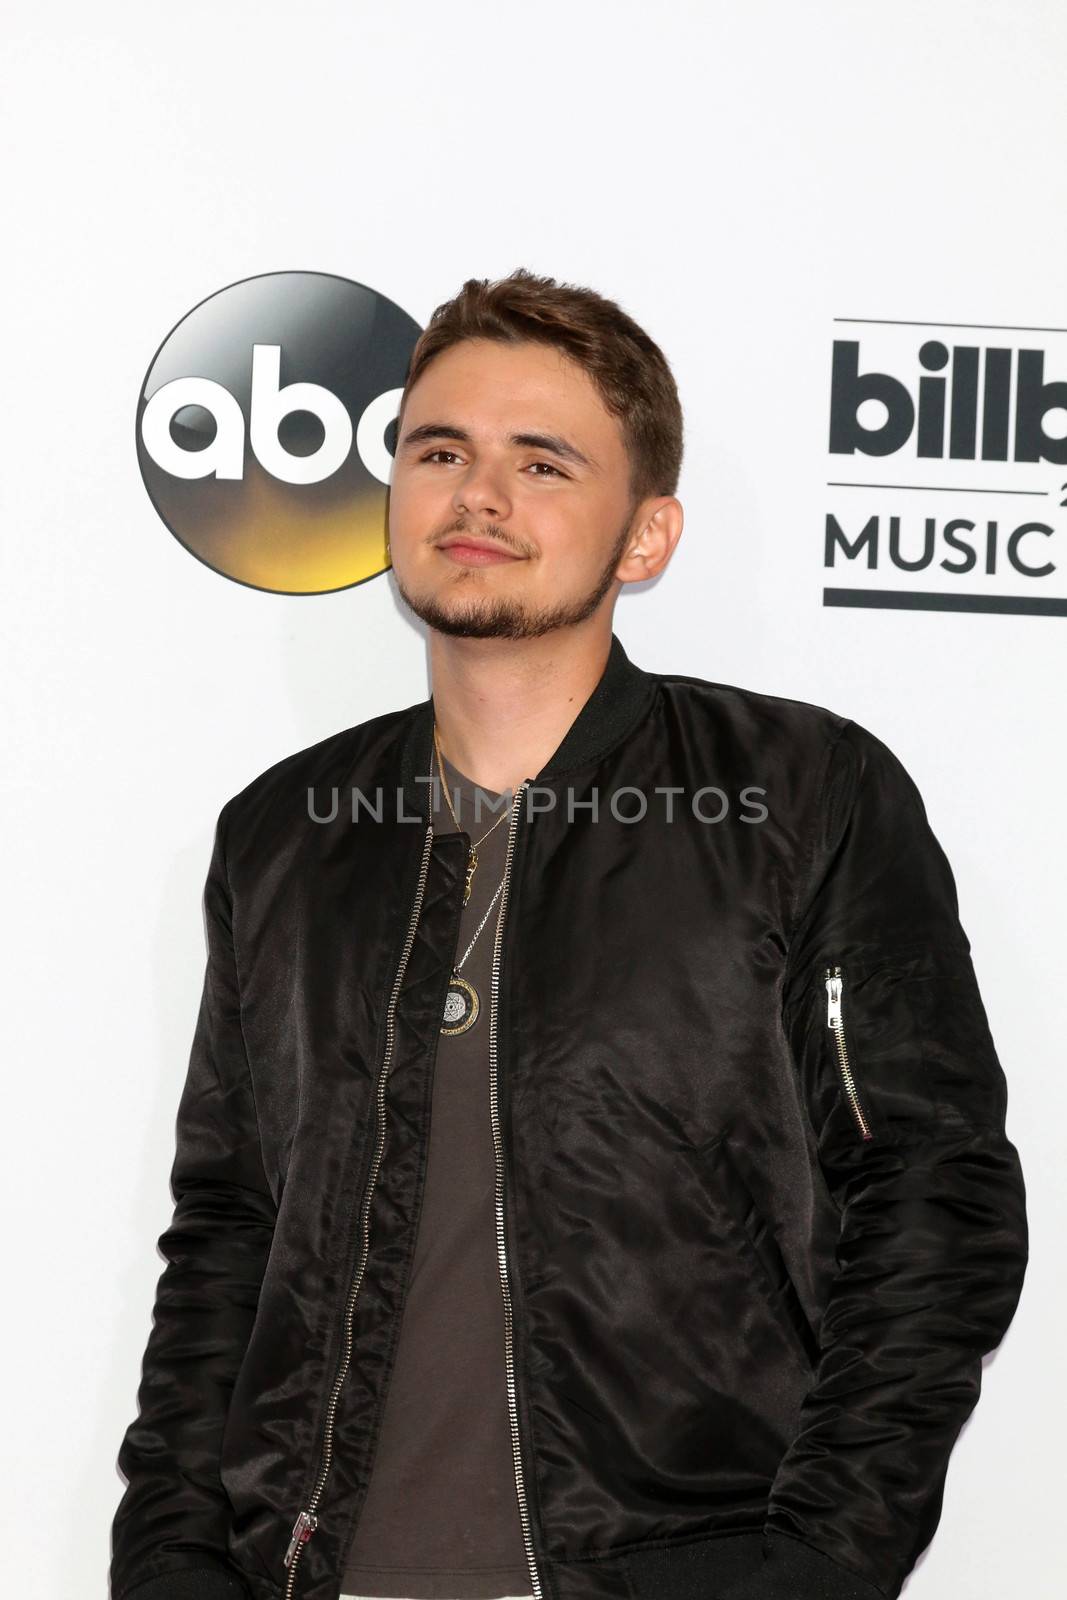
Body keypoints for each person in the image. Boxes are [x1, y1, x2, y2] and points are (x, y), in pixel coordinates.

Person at [110, 269, 1028, 1600]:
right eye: (441, 451)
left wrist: (820, 1563)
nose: (479, 497)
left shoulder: (804, 798)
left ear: (645, 537)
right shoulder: (288, 837)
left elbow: (932, 1203)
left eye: (544, 463)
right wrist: (173, 1559)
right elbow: (230, 1234)